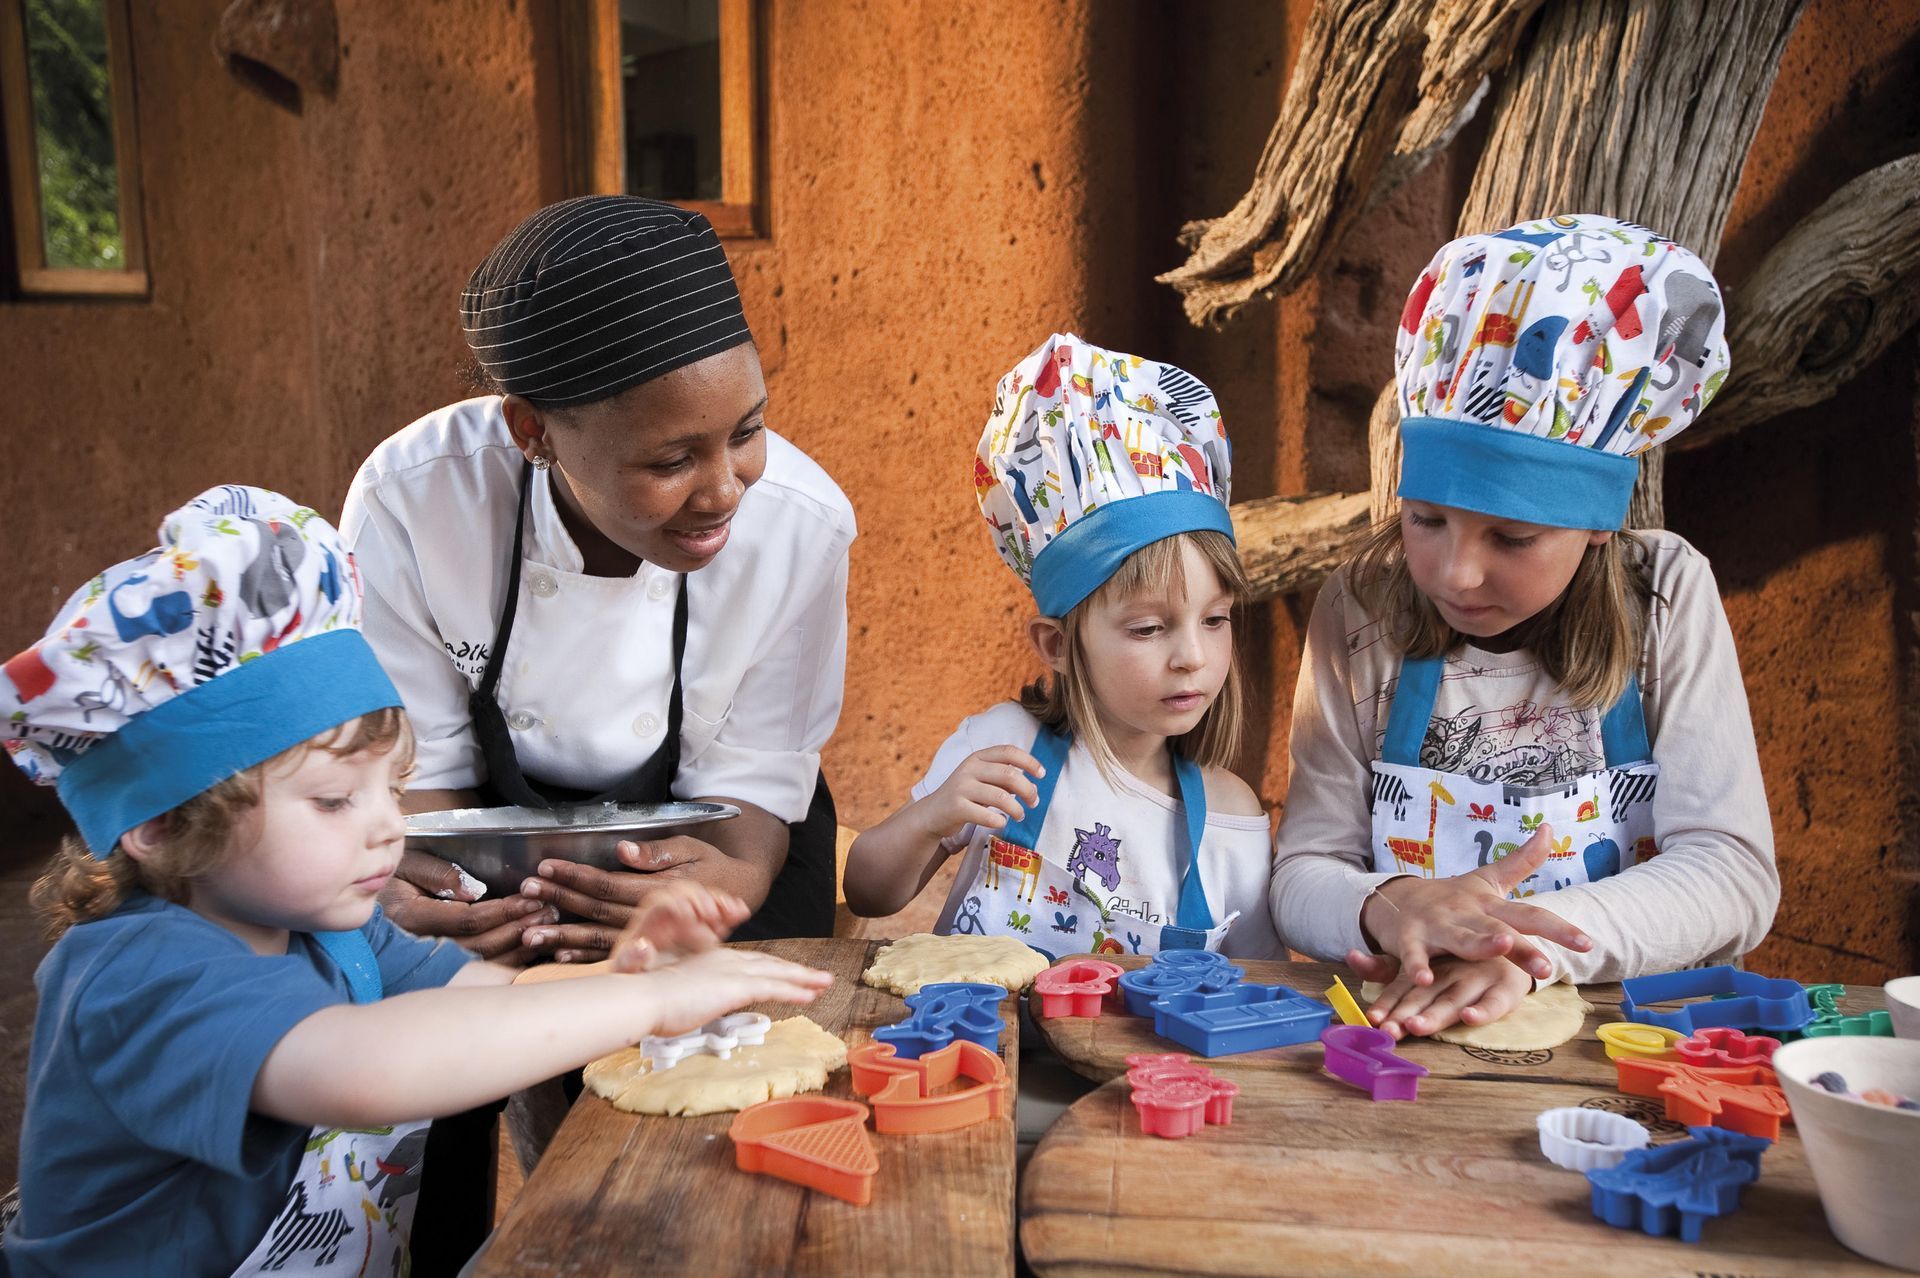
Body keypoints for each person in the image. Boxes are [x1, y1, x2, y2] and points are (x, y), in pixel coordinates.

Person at [0, 487, 830, 1277]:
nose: (388, 828)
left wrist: (629, 973)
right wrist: (645, 1007)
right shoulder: (139, 977)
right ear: (162, 823)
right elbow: (370, 1067)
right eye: (333, 801)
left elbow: (490, 1003)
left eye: (389, 790)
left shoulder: (339, 933)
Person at [1269, 214, 1779, 1038]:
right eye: (1427, 519)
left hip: (1624, 1044)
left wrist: (1520, 952)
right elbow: (1302, 874)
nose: (1454, 574)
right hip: (1411, 1038)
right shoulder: (1363, 608)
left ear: (1597, 524)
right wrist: (1388, 904)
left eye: (1512, 537)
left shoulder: (1665, 598)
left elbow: (1732, 875)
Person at [341, 195, 856, 964]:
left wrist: (733, 881)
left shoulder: (801, 525)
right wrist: (449, 900)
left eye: (747, 432)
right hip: (484, 832)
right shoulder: (413, 500)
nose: (724, 491)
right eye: (671, 460)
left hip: (723, 826)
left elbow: (759, 768)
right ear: (532, 431)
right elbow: (424, 771)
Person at [845, 334, 1279, 959]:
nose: (1193, 655)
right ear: (1057, 644)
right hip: (989, 1056)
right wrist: (932, 816)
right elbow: (868, 893)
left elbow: (1258, 988)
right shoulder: (1006, 751)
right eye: (1149, 628)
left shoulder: (1228, 815)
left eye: (1214, 620)